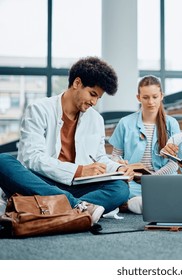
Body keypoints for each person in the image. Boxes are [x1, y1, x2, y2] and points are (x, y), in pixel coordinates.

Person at [0, 57, 131, 224]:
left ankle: (58, 206)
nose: (94, 102)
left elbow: (99, 158)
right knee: (3, 161)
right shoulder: (39, 109)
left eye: (98, 98)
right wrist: (78, 170)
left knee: (120, 188)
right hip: (40, 181)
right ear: (77, 83)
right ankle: (78, 206)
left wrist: (118, 168)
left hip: (75, 186)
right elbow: (31, 158)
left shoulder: (96, 119)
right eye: (92, 94)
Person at [109, 75, 180, 214]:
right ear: (138, 98)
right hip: (133, 181)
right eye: (145, 97)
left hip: (162, 179)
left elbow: (174, 163)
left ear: (161, 96)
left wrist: (154, 179)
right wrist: (120, 164)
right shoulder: (125, 122)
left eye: (155, 97)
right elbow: (115, 156)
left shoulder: (172, 124)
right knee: (116, 189)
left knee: (179, 187)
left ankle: (135, 203)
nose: (151, 102)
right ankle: (150, 202)